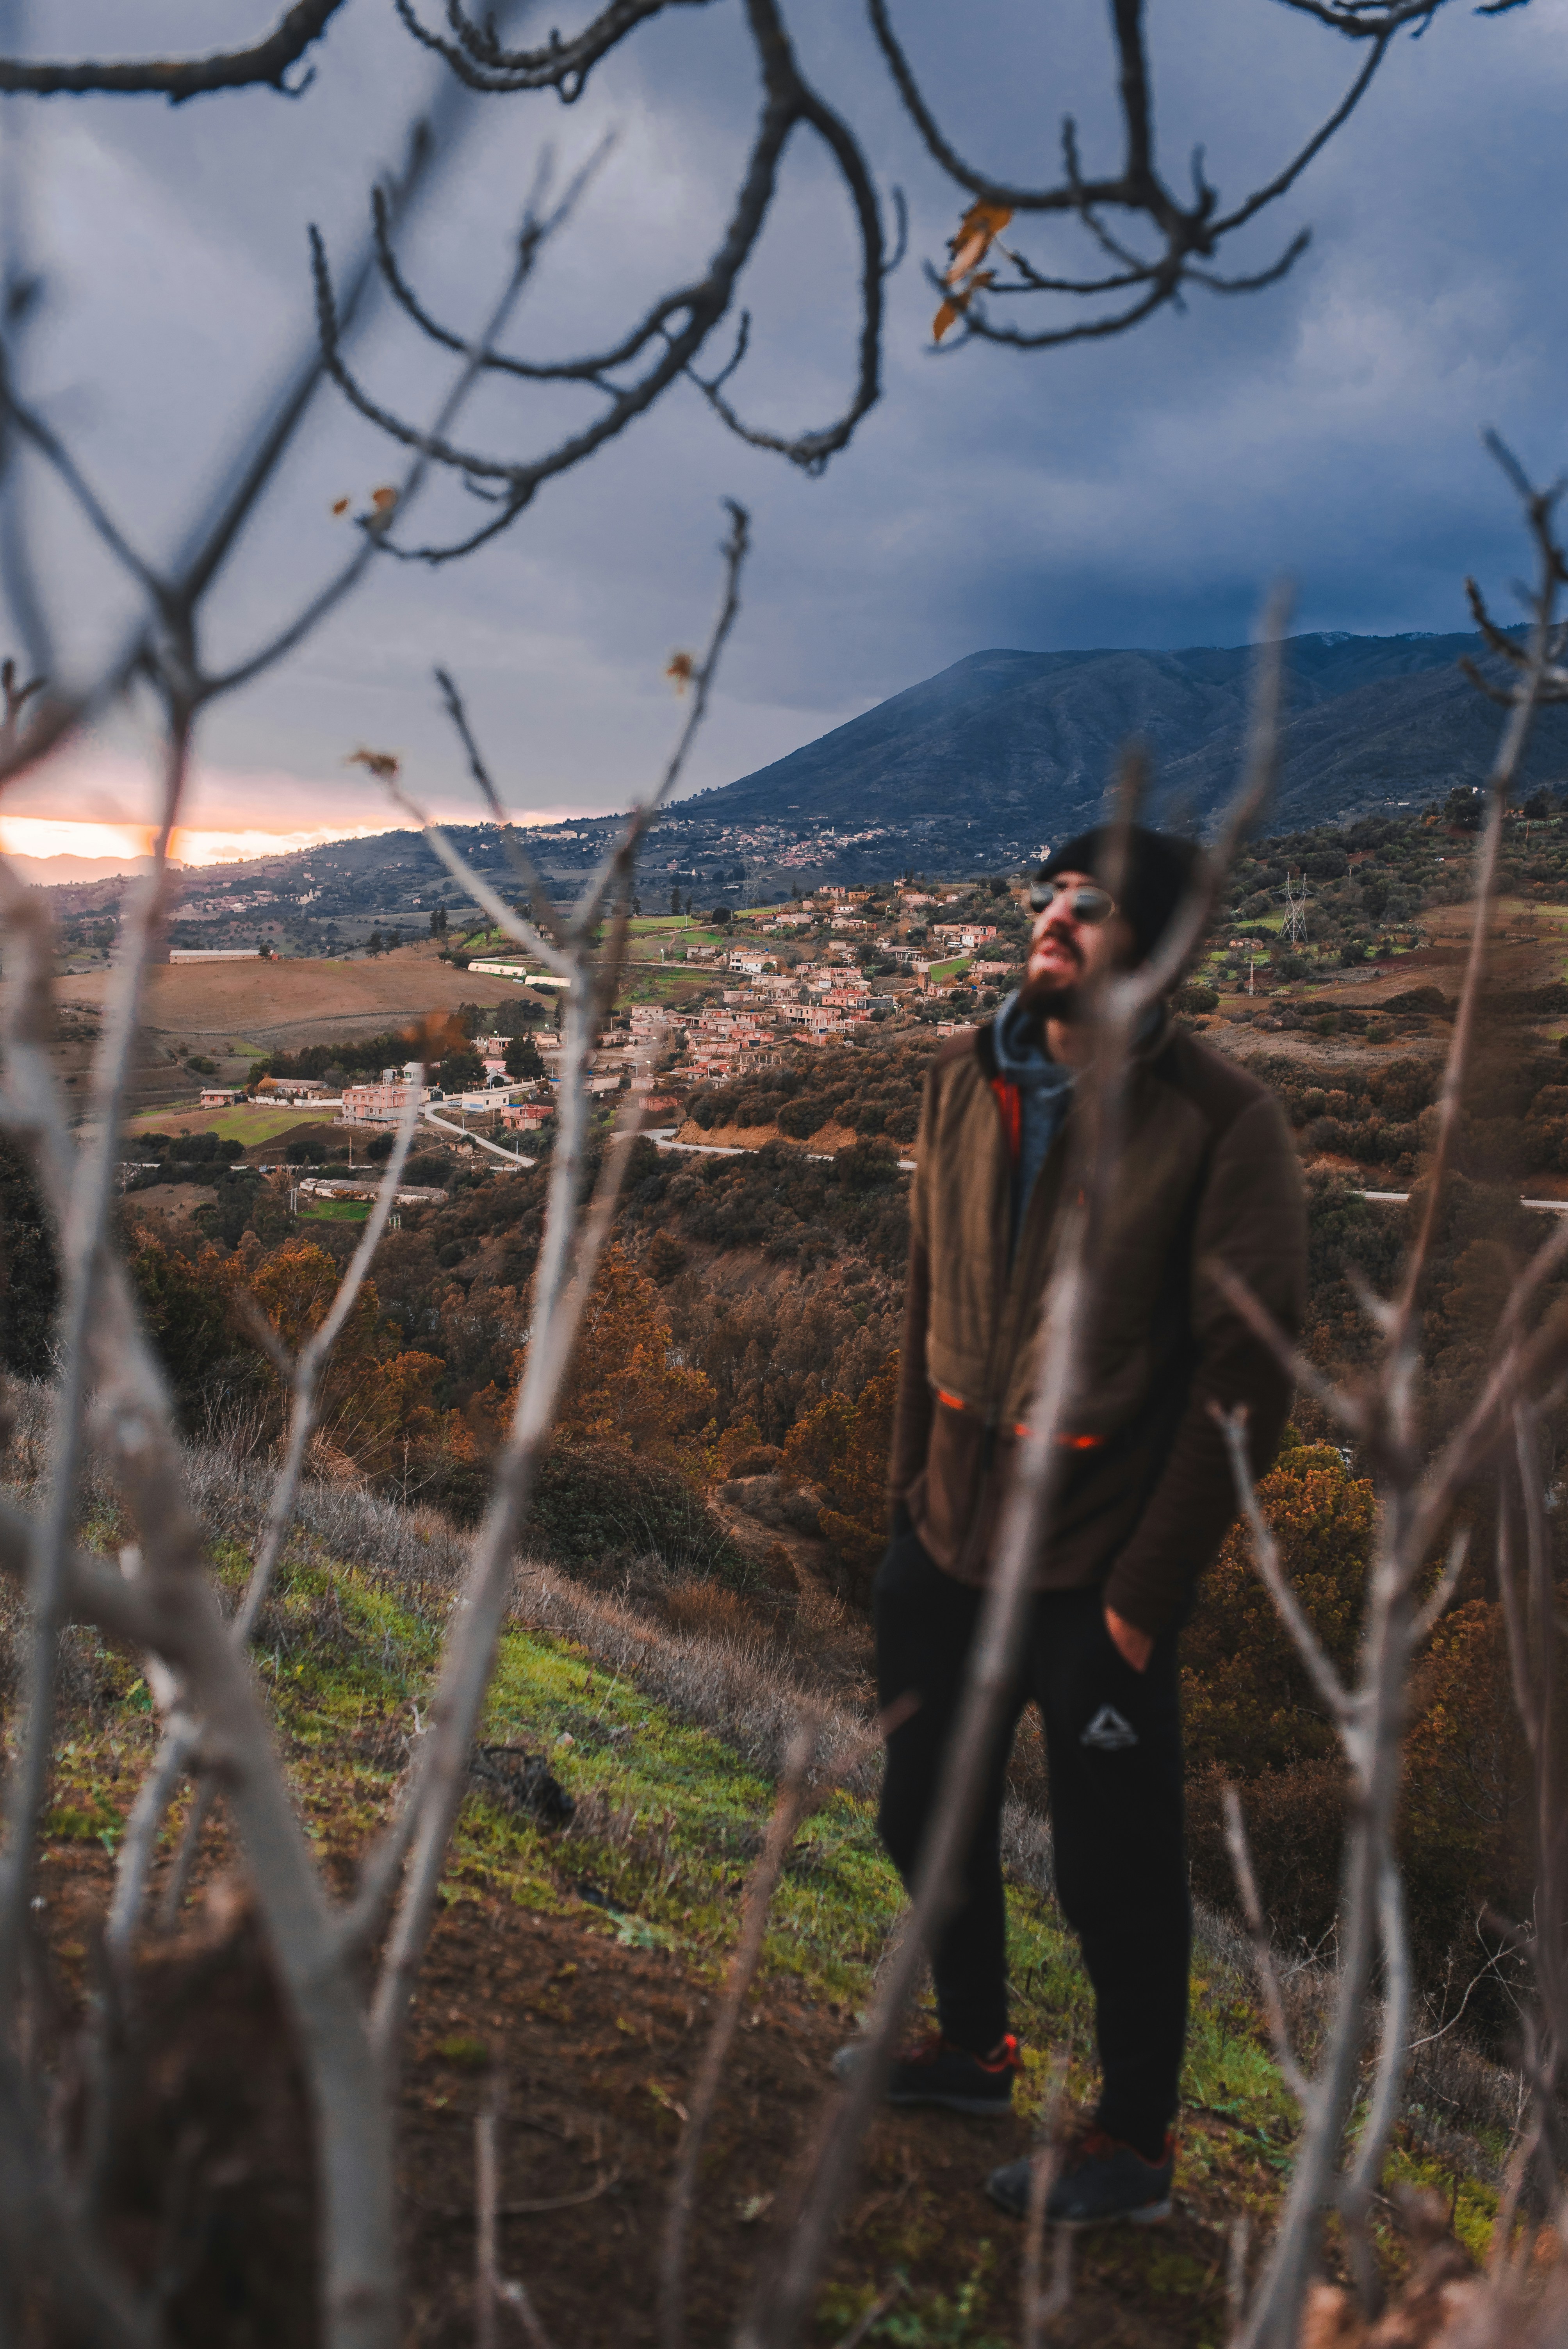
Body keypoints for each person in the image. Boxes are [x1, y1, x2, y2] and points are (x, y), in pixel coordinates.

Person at [846, 824, 1308, 2228]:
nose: (1052, 916)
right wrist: (906, 1506)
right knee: (920, 1809)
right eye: (1045, 894)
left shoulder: (1222, 1124)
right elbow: (927, 1297)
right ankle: (975, 2050)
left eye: (1090, 904)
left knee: (1114, 1868)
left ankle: (1134, 2142)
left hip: (1095, 1569)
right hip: (945, 1544)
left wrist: (1140, 1598)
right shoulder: (959, 1076)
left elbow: (1247, 1380)